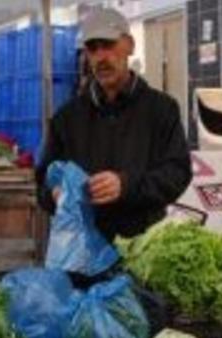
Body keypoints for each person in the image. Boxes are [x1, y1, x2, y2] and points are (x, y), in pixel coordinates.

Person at [36, 5, 191, 241]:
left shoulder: (161, 110)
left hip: (144, 250)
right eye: (92, 48)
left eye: (108, 45)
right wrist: (54, 195)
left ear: (129, 45)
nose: (101, 57)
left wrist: (126, 185)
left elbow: (177, 173)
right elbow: (43, 182)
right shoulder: (66, 118)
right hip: (83, 257)